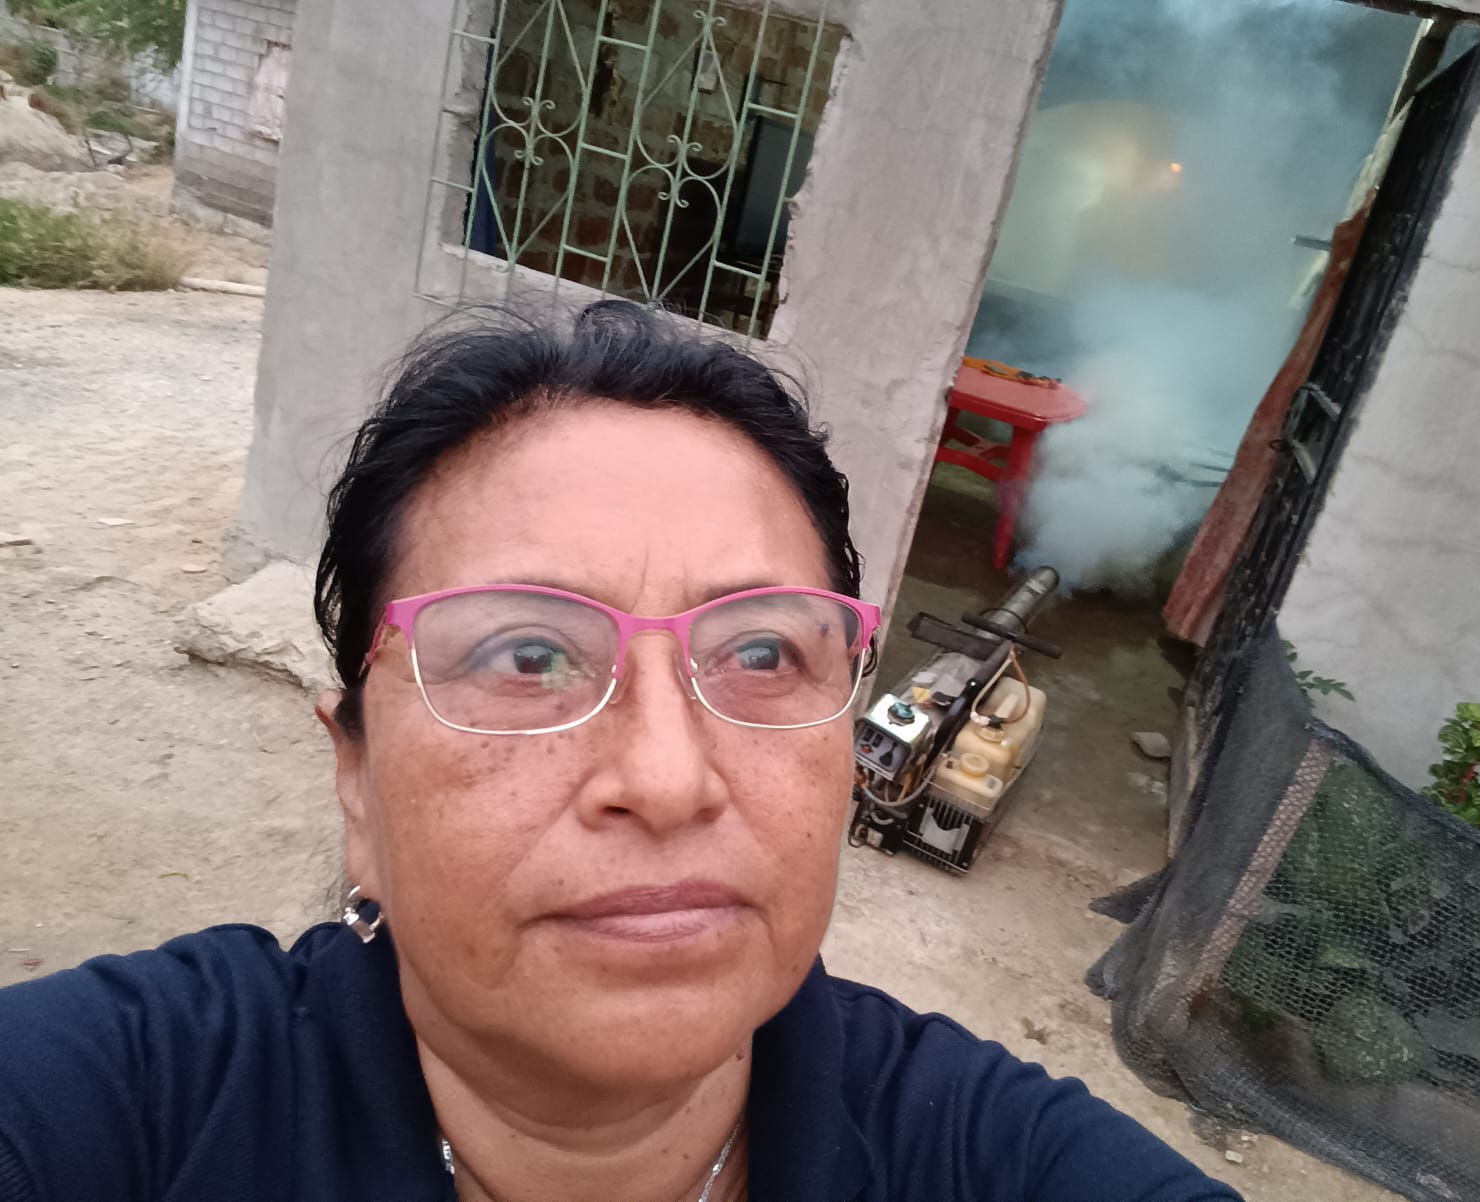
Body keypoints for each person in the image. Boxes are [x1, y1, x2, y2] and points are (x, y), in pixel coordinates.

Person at [0, 301, 1241, 1202]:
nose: (664, 777)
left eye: (761, 651)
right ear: (356, 781)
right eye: (527, 653)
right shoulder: (124, 1105)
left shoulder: (979, 1152)